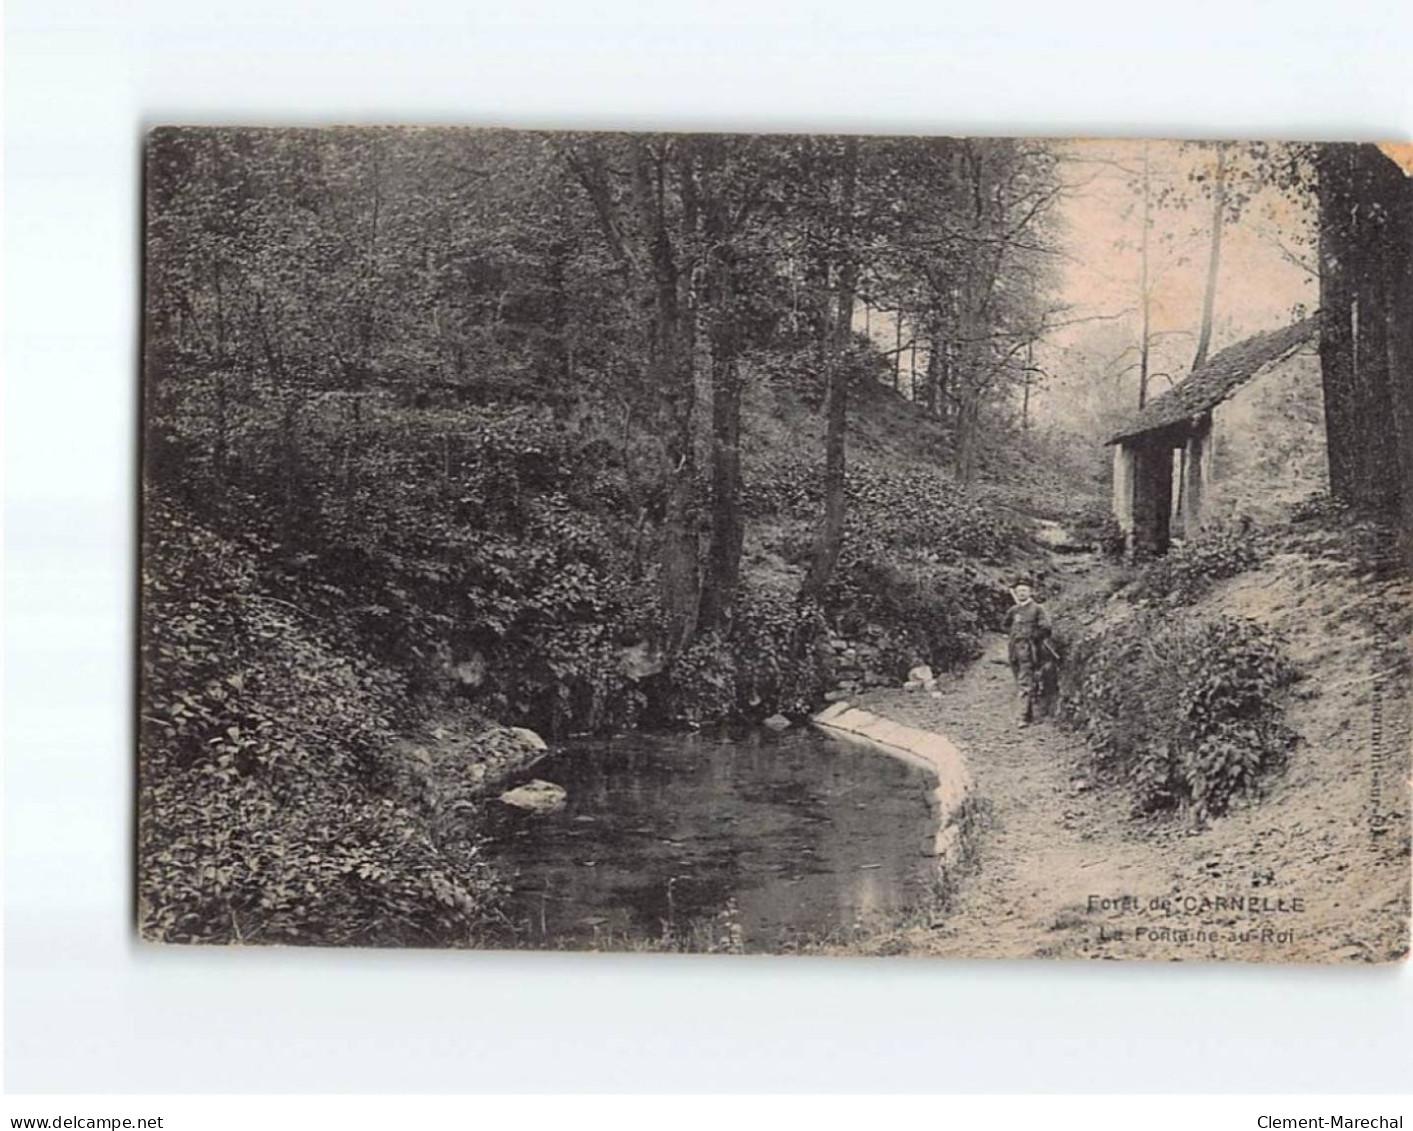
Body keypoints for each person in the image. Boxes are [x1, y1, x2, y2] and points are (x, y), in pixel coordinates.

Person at [1001, 581, 1051, 728]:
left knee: (1025, 682)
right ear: (1016, 594)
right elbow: (1004, 625)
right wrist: (1014, 635)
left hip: (1029, 651)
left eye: (1024, 591)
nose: (1021, 593)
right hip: (1014, 651)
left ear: (1030, 592)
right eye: (1019, 591)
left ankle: (1023, 717)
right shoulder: (1014, 610)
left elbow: (1046, 627)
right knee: (1020, 681)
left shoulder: (1037, 609)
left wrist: (1031, 636)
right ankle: (1030, 713)